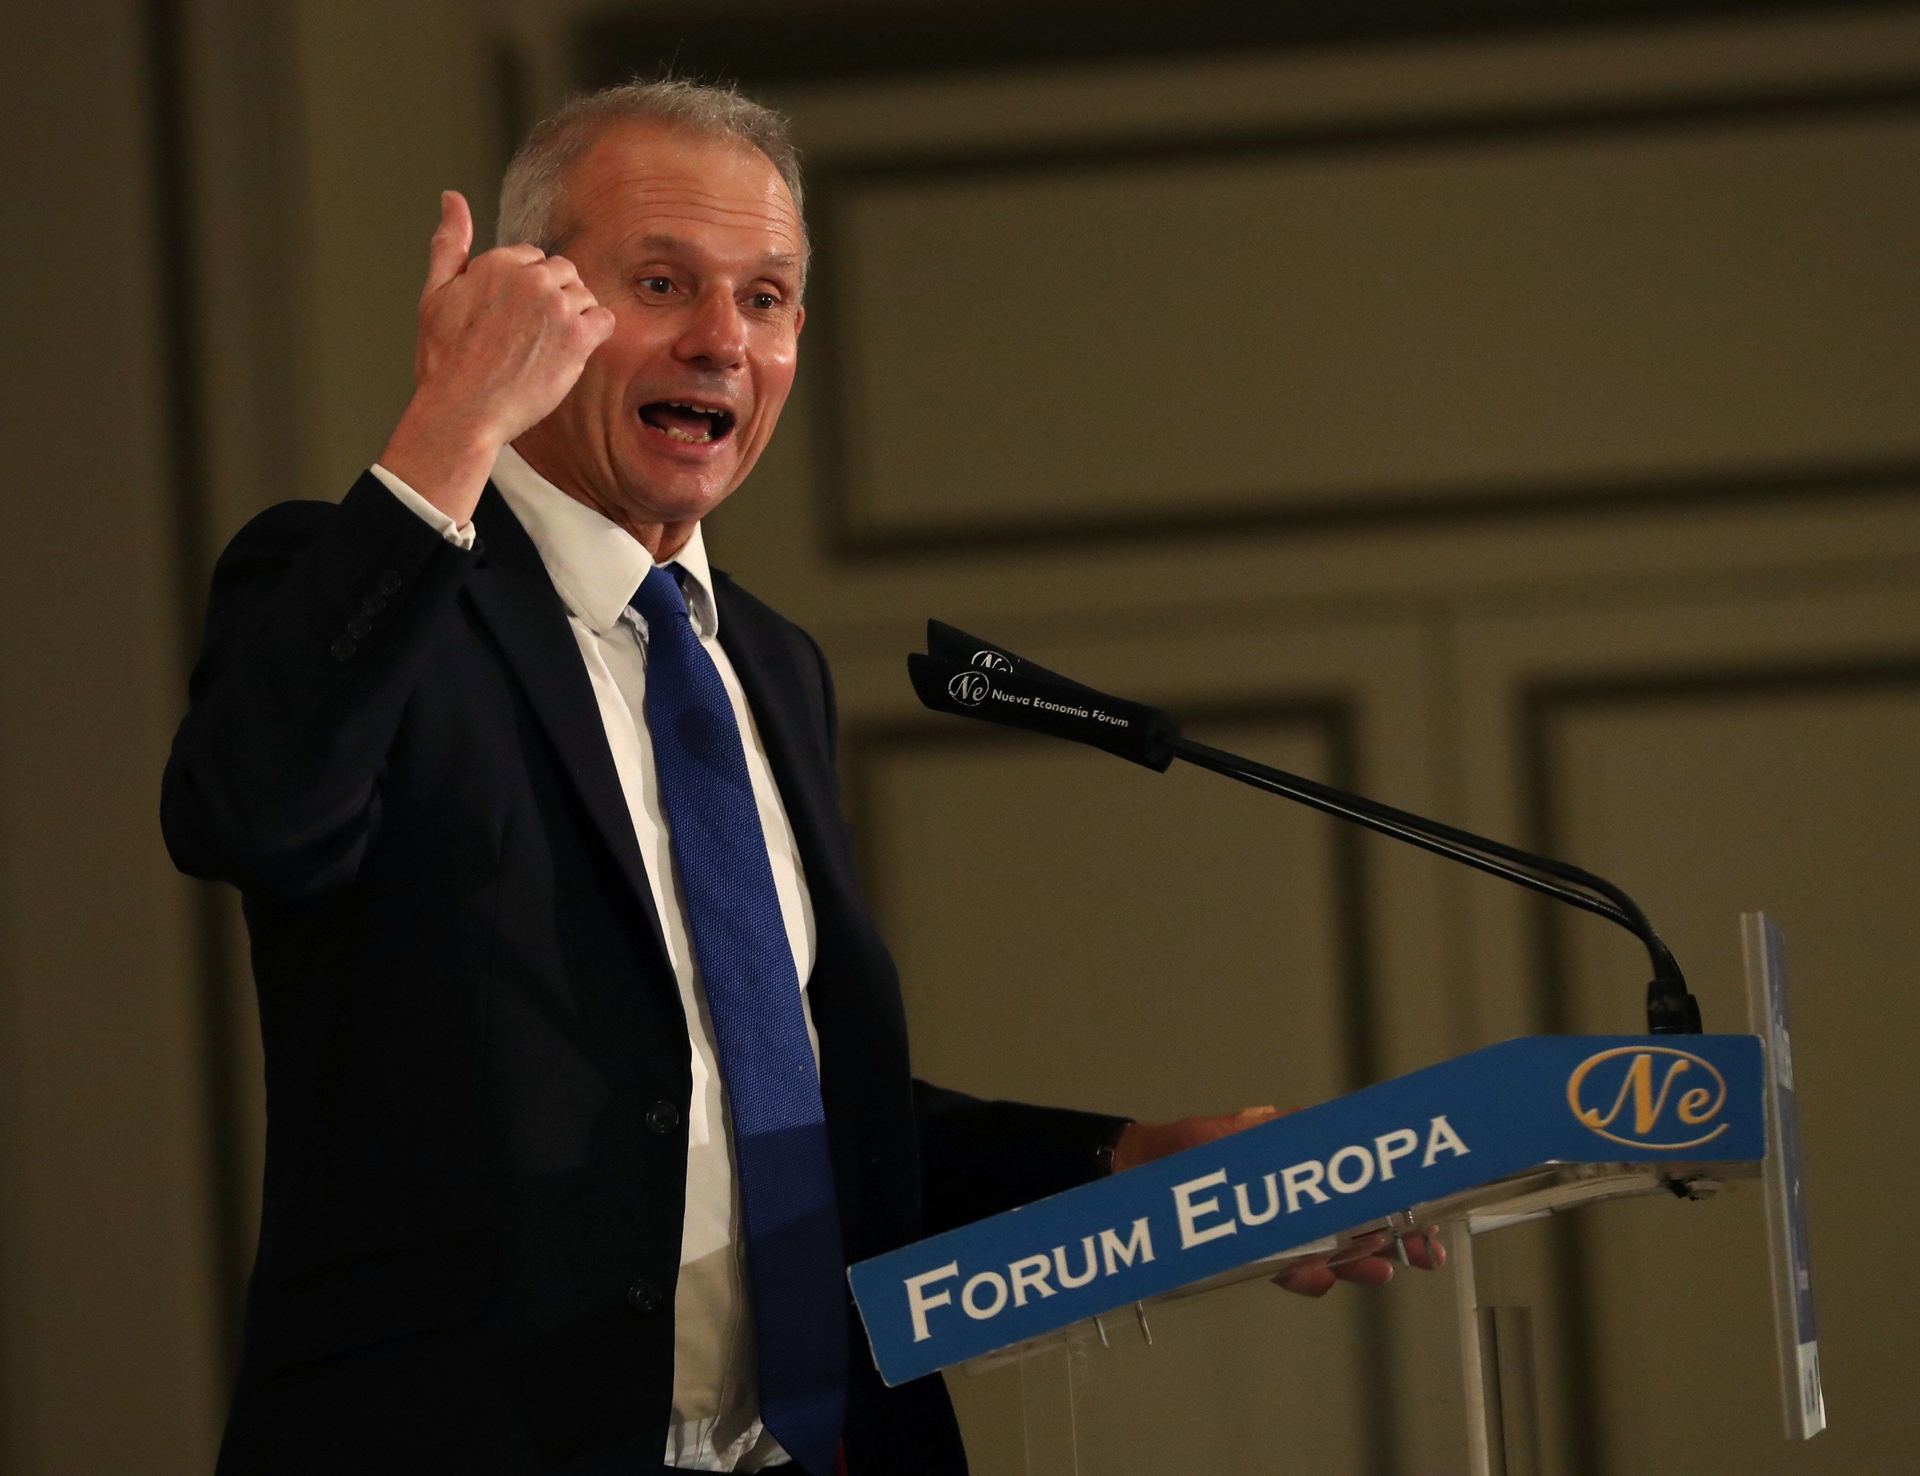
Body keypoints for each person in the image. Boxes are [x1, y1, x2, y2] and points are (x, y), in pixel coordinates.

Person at [163, 79, 1432, 1476]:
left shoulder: (764, 664)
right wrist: (447, 430)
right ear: (527, 305)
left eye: (764, 299)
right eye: (662, 282)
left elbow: (780, 1109)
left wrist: (1130, 1165)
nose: (720, 339)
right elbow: (249, 813)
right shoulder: (365, 586)